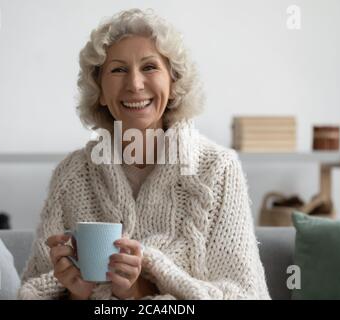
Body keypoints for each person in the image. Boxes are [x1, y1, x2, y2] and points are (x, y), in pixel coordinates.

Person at [18, 8, 270, 300]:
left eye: (149, 67)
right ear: (99, 90)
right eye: (118, 69)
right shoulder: (71, 174)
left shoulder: (216, 169)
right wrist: (78, 293)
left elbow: (246, 295)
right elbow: (34, 290)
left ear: (173, 83)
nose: (135, 84)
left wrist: (139, 291)